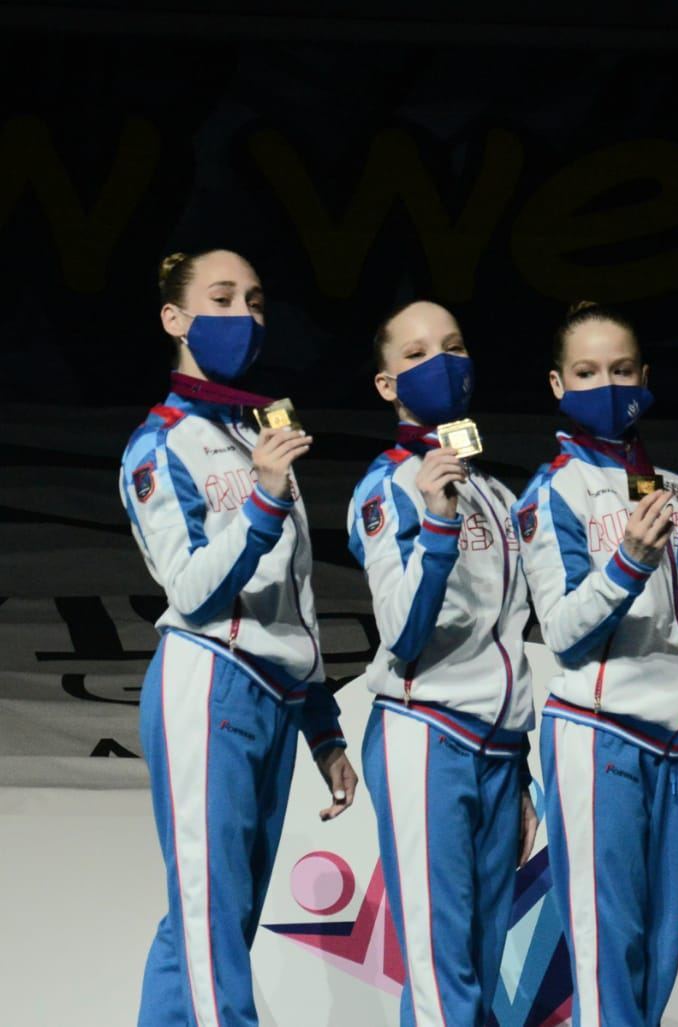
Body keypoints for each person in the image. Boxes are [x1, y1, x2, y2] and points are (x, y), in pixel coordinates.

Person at [120, 249, 355, 1027]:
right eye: (220, 299)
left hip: (277, 695)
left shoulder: (259, 432)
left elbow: (299, 592)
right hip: (208, 679)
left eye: (254, 300)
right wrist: (261, 497)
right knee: (209, 915)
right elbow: (187, 588)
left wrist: (322, 725)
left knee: (217, 918)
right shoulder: (159, 445)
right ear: (174, 319)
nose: (244, 316)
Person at [512, 302, 678, 1027]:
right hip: (600, 738)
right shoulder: (550, 492)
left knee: (660, 953)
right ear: (559, 384)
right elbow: (563, 633)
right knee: (606, 951)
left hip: (677, 746)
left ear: (646, 378)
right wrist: (629, 560)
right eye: (589, 372)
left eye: (622, 370)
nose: (609, 385)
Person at [348, 299, 537, 1025]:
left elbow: (509, 637)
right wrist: (436, 522)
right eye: (418, 354)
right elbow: (401, 631)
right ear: (386, 384)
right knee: (441, 975)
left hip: (496, 752)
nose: (444, 364)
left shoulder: (495, 492)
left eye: (454, 346)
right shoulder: (388, 486)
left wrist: (517, 769)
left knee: (478, 974)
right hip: (424, 734)